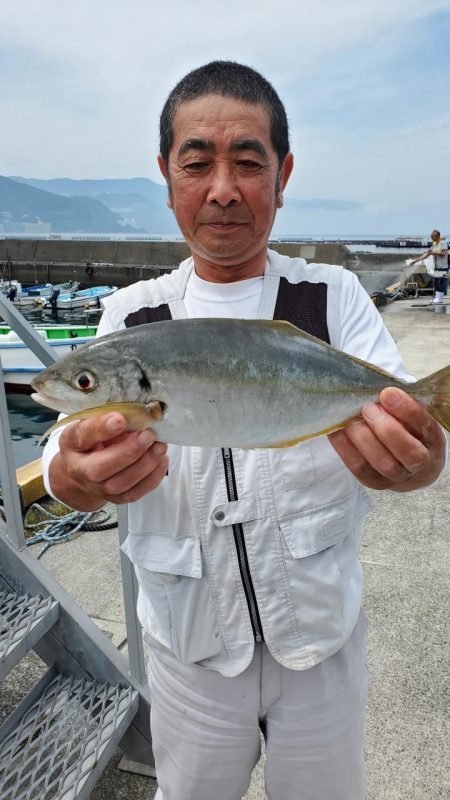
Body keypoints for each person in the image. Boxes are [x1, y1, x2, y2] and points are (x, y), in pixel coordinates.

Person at [42, 62, 447, 800]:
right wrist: (72, 476)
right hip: (188, 650)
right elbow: (66, 450)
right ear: (167, 176)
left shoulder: (332, 297)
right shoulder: (131, 316)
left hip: (321, 643)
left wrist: (419, 458)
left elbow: (408, 428)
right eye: (197, 163)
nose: (223, 189)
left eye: (249, 163)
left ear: (282, 176)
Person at [410, 229, 449, 303]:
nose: (431, 238)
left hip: (443, 266)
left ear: (437, 236)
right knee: (436, 282)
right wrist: (415, 261)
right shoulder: (434, 244)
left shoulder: (443, 243)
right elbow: (426, 254)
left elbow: (443, 253)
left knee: (440, 282)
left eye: (432, 236)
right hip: (436, 267)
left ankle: (439, 299)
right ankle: (437, 298)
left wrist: (432, 253)